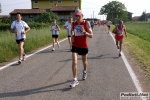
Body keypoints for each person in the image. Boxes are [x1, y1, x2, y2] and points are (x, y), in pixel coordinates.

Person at [70, 9, 93, 88]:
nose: (77, 18)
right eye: (76, 16)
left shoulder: (86, 23)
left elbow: (91, 35)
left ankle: (85, 71)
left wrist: (84, 32)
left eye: (79, 16)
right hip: (75, 45)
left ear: (82, 16)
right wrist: (72, 37)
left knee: (84, 61)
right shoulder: (73, 23)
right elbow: (72, 32)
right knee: (74, 62)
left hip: (83, 46)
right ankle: (75, 80)